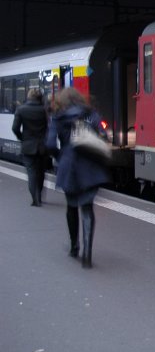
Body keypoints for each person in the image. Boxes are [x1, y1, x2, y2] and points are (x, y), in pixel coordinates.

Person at [45, 87, 109, 267]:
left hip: (69, 168)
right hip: (90, 167)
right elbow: (103, 136)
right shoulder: (91, 114)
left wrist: (60, 157)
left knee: (71, 206)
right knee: (87, 209)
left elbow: (50, 144)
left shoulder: (58, 117)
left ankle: (75, 247)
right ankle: (87, 254)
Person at [11, 88, 49, 206]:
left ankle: (35, 199)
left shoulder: (21, 109)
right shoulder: (45, 110)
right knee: (41, 172)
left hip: (27, 146)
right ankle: (40, 196)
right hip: (43, 146)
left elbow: (15, 128)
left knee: (31, 173)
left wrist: (22, 138)